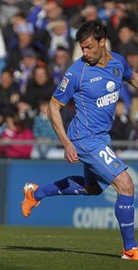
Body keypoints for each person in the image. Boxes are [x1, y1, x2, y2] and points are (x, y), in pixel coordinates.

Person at [21, 20, 138, 260]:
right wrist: (66, 142)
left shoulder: (117, 62)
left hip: (101, 137)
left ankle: (36, 193)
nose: (85, 53)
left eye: (88, 47)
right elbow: (53, 108)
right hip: (84, 138)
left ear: (102, 42)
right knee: (126, 185)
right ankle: (130, 249)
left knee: (93, 189)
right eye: (82, 48)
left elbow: (132, 77)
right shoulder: (77, 71)